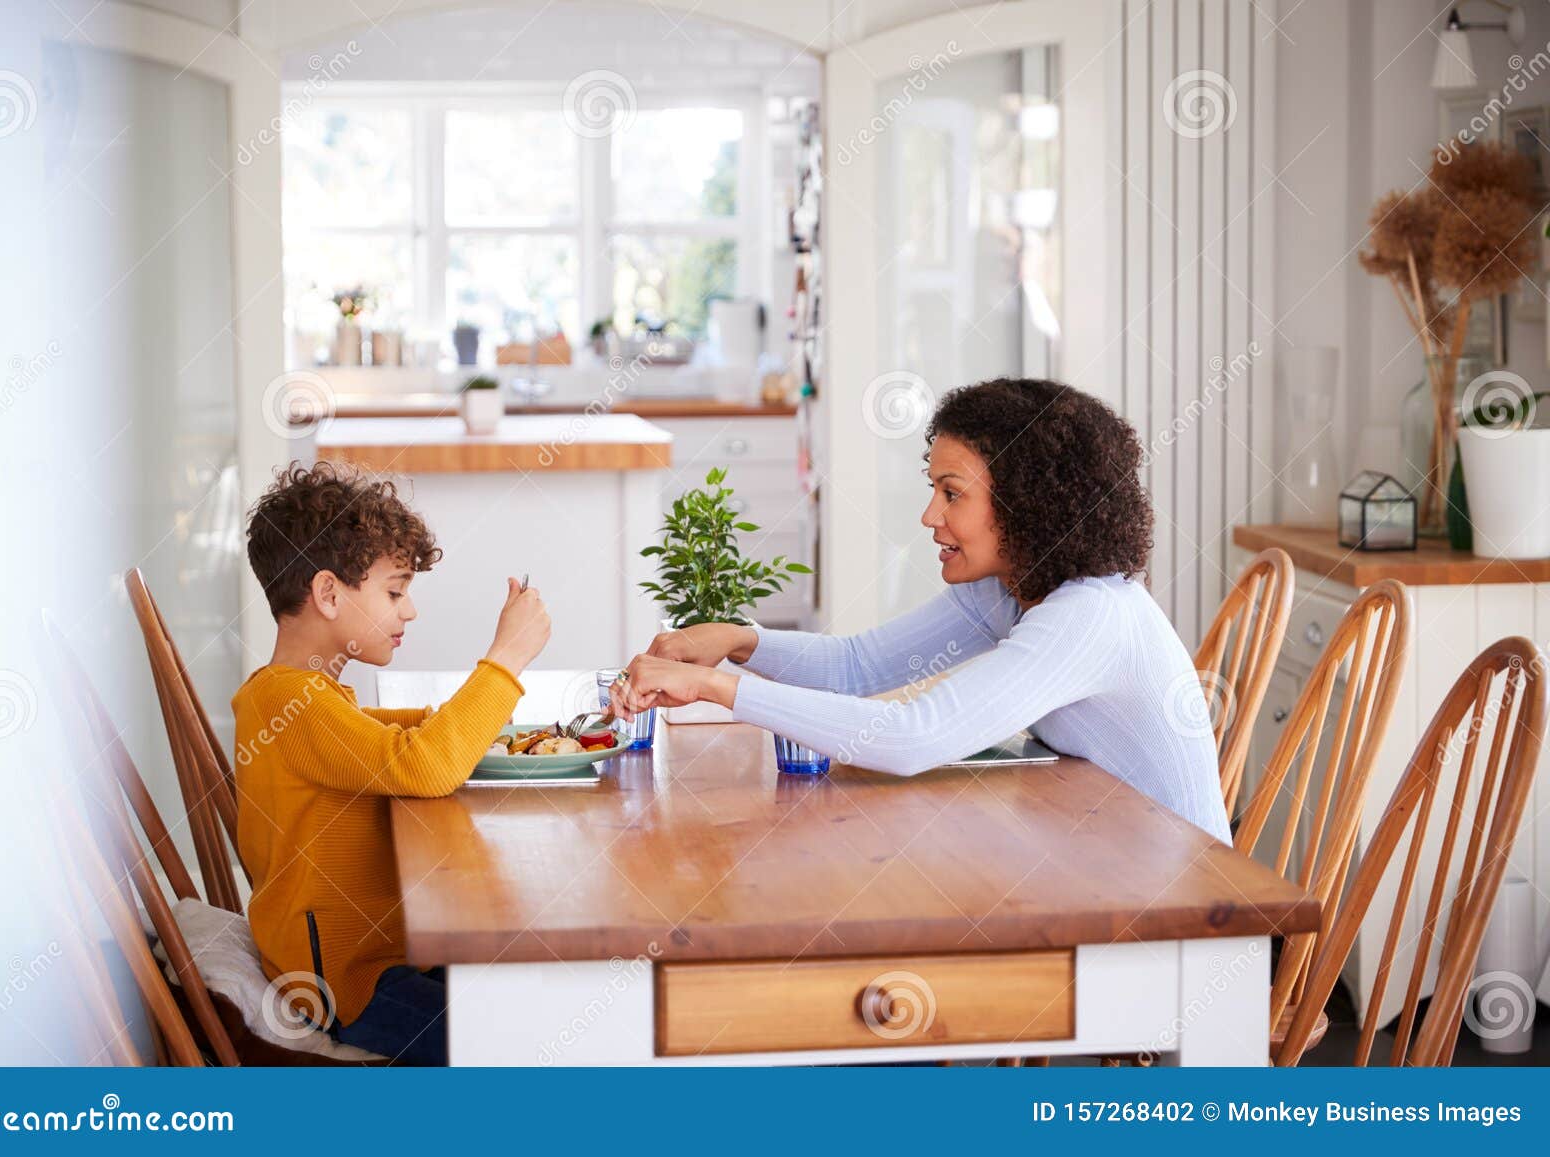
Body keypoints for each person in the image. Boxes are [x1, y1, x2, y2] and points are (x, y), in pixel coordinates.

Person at [608, 378, 1229, 843]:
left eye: (952, 494)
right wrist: (737, 640)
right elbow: (858, 666)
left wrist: (713, 687)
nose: (930, 516)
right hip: (1100, 869)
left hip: (1183, 925)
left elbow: (912, 737)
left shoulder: (1089, 615)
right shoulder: (1009, 588)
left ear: (1028, 503)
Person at [232, 463, 550, 1064]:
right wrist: (505, 659)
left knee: (529, 996)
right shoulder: (288, 702)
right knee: (518, 1048)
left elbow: (407, 739)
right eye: (395, 591)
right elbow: (426, 765)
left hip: (379, 958)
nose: (409, 612)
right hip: (353, 986)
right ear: (328, 593)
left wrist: (485, 723)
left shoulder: (310, 695)